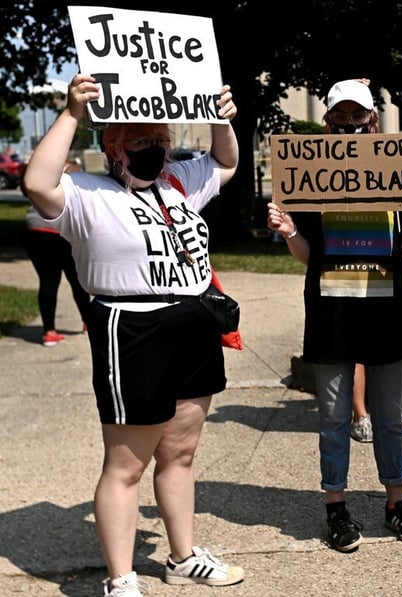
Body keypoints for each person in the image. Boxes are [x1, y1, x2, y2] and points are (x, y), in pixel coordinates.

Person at [22, 74, 244, 596]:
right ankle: (121, 578)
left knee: (180, 453)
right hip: (132, 329)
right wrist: (74, 111)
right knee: (127, 463)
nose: (156, 148)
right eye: (141, 140)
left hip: (193, 320)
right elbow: (36, 182)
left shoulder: (179, 181)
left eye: (161, 139)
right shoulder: (84, 194)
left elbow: (227, 162)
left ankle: (183, 556)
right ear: (113, 146)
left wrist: (221, 117)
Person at [266, 78, 402, 553]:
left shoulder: (398, 172)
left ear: (373, 120)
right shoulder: (311, 176)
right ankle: (336, 506)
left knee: (389, 416)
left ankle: (395, 502)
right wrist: (289, 231)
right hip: (331, 313)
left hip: (388, 314)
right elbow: (306, 256)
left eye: (358, 116)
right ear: (328, 122)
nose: (350, 124)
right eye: (341, 116)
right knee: (334, 417)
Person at [21, 160, 91, 346]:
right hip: (61, 231)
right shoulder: (73, 170)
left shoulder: (39, 168)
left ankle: (49, 332)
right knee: (77, 281)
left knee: (47, 281)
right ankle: (89, 322)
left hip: (34, 229)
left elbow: (25, 189)